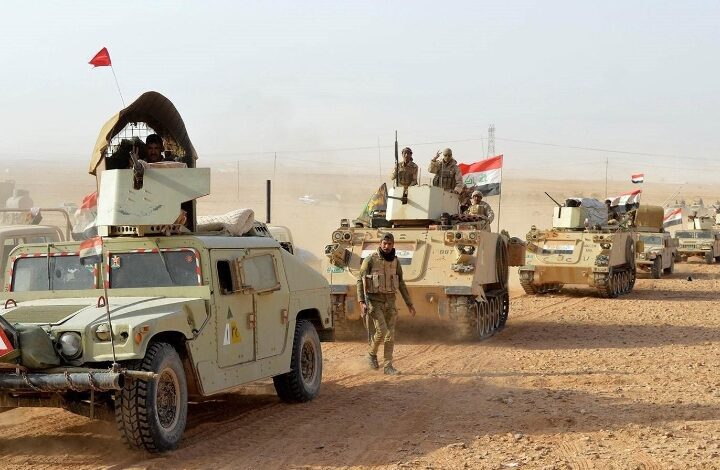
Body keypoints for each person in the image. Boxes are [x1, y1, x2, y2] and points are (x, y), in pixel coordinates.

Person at [357, 233, 416, 375]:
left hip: (390, 301)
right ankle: (371, 354)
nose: (387, 246)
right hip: (374, 301)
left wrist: (409, 303)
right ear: (380, 243)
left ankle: (388, 366)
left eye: (389, 244)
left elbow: (401, 282)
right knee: (382, 331)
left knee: (390, 334)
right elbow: (360, 280)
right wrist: (361, 302)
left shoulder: (395, 261)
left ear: (393, 245)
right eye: (384, 243)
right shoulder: (370, 259)